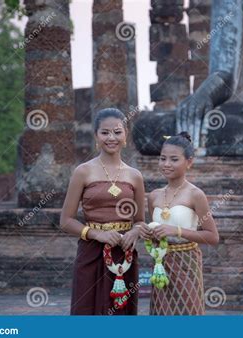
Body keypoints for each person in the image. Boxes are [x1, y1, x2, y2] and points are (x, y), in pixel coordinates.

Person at [60, 108, 146, 315]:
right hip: (91, 252)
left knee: (120, 315)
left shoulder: (135, 176)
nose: (111, 138)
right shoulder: (83, 171)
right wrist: (98, 234)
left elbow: (140, 221)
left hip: (123, 254)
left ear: (126, 135)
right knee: (87, 310)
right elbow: (65, 220)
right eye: (105, 132)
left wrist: (134, 232)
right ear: (96, 136)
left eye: (117, 132)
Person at [140, 132, 219, 315]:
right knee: (161, 312)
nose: (166, 164)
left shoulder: (195, 195)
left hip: (187, 262)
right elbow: (157, 232)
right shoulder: (154, 196)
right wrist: (148, 233)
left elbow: (212, 237)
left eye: (174, 159)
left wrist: (176, 230)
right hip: (161, 263)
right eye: (163, 159)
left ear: (189, 162)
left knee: (187, 310)